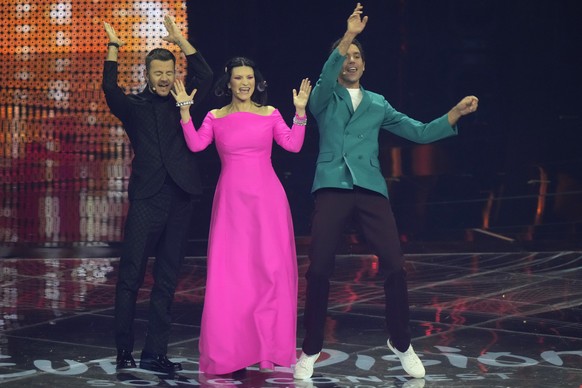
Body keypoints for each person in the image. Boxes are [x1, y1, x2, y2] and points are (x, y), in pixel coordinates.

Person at [293, 3, 479, 380]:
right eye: (346, 55)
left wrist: (454, 114)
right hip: (332, 186)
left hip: (371, 190)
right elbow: (324, 80)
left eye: (357, 56)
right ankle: (311, 348)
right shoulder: (324, 96)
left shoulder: (378, 103)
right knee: (320, 269)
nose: (351, 60)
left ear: (365, 64)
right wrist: (347, 36)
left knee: (395, 264)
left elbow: (420, 132)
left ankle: (401, 341)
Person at [170, 57, 311, 374]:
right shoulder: (215, 117)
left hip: (268, 202)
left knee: (270, 274)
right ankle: (232, 351)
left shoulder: (270, 114)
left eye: (249, 77)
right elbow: (195, 145)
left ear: (256, 81)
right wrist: (183, 112)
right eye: (238, 78)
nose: (244, 82)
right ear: (228, 83)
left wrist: (300, 112)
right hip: (231, 203)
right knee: (231, 276)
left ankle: (268, 349)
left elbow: (293, 145)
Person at [102, 16, 213, 373]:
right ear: (147, 75)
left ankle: (155, 353)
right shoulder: (133, 106)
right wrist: (114, 48)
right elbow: (109, 90)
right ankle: (124, 352)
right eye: (158, 73)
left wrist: (181, 39)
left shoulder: (185, 102)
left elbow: (208, 76)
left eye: (169, 72)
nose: (164, 78)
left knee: (167, 279)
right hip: (147, 199)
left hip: (181, 197)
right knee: (131, 276)